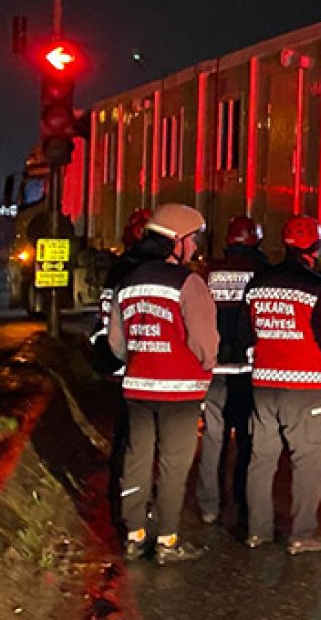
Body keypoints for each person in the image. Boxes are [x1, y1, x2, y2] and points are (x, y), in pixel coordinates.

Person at [107, 203, 219, 565]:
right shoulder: (189, 283)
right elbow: (205, 343)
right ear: (178, 241)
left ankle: (134, 535)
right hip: (180, 391)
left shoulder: (129, 282)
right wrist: (205, 368)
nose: (196, 247)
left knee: (136, 459)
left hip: (138, 387)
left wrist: (140, 361)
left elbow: (116, 343)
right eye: (193, 240)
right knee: (173, 464)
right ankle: (167, 540)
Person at [242, 215, 321, 555]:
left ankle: (257, 531)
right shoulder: (317, 286)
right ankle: (302, 534)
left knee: (261, 459)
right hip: (305, 388)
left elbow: (247, 333)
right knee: (308, 461)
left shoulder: (258, 283)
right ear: (315, 245)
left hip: (263, 384)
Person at [196, 216, 269, 525]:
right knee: (248, 437)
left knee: (214, 438)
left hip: (214, 366)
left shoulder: (209, 272)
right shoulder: (263, 272)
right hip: (248, 368)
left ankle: (209, 505)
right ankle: (243, 500)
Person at [90, 208, 153, 375]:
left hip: (116, 361)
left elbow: (107, 315)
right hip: (144, 366)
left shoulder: (118, 271)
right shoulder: (164, 274)